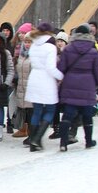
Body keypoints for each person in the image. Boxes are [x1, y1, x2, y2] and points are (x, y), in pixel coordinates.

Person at [57, 24, 98, 150]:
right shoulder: (93, 52)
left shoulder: (68, 49)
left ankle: (63, 143)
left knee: (67, 115)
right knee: (87, 115)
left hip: (70, 84)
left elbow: (61, 68)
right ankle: (88, 141)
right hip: (87, 85)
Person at [24, 23, 64, 151]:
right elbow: (51, 68)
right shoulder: (50, 47)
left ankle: (33, 140)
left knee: (36, 111)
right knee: (51, 110)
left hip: (34, 78)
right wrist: (61, 76)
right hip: (46, 81)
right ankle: (37, 139)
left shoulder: (34, 45)